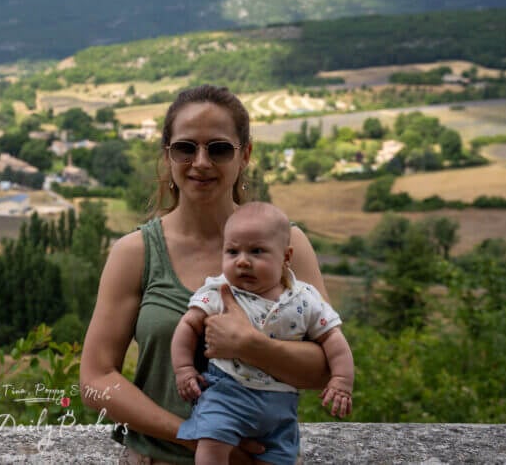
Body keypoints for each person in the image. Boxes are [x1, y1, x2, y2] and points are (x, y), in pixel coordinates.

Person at [80, 84, 333, 465]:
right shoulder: (135, 254)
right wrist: (193, 438)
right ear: (167, 156)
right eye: (185, 148)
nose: (201, 162)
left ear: (244, 155)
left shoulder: (288, 246)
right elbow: (95, 380)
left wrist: (251, 345)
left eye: (218, 149)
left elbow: (326, 368)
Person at [172, 202, 354, 465]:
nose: (243, 261)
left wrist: (341, 381)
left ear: (286, 257)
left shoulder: (304, 299)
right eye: (232, 251)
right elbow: (188, 326)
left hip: (280, 404)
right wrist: (184, 369)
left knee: (280, 456)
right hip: (227, 392)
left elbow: (334, 340)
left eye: (257, 251)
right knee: (211, 440)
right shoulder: (219, 291)